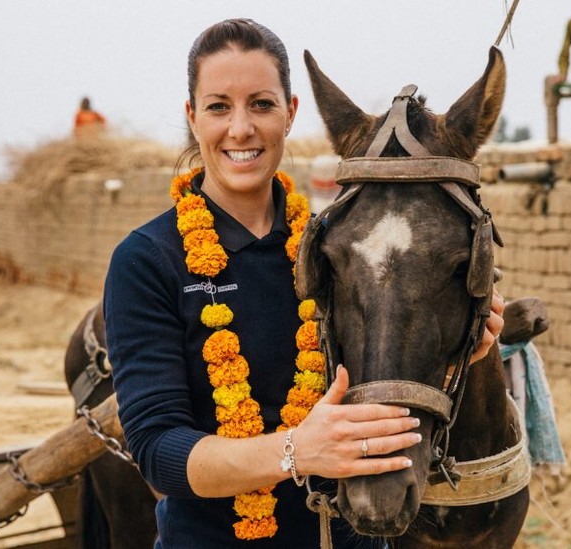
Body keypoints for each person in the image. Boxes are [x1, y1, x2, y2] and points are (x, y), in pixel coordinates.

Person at [102, 18, 505, 548]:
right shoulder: (148, 261)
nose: (241, 128)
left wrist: (459, 348)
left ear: (290, 114)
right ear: (192, 117)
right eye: (219, 106)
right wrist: (296, 451)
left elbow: (387, 363)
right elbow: (158, 453)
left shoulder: (338, 250)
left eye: (262, 104)